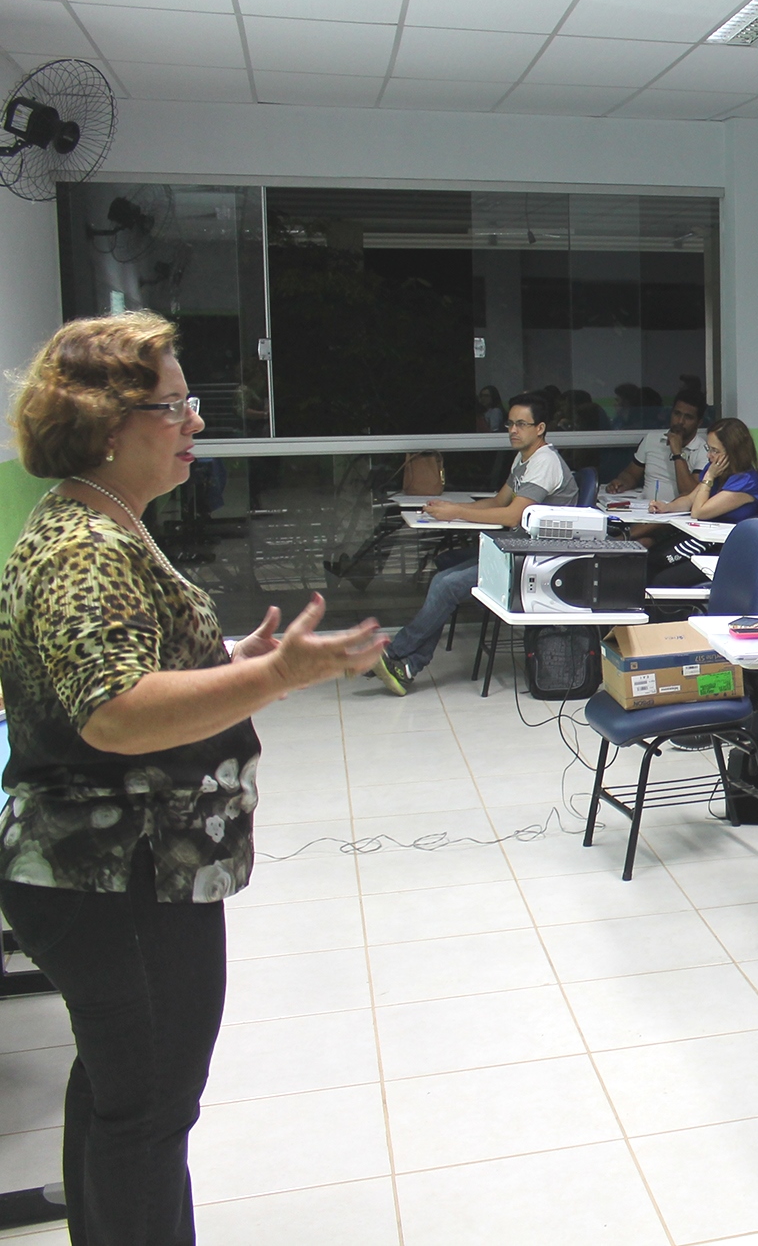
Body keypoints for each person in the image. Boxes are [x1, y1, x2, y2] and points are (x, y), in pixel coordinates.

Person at [0, 313, 388, 1243]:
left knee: (117, 1091)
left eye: (190, 404)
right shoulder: (86, 546)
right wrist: (274, 673)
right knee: (147, 1112)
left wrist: (222, 656)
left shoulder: (96, 520)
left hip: (107, 869)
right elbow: (114, 710)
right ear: (104, 421)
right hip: (115, 875)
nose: (195, 424)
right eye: (172, 407)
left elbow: (111, 670)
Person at [376, 391, 577, 693]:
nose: (513, 430)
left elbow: (510, 516)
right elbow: (499, 500)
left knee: (446, 585)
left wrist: (457, 511)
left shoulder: (545, 461)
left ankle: (395, 654)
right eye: (510, 424)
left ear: (540, 428)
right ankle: (406, 664)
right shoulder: (525, 459)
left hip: (537, 561)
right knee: (445, 576)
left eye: (522, 424)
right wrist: (449, 511)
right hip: (517, 549)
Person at [641, 416, 758, 583]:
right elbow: (690, 499)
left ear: (733, 452)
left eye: (715, 451)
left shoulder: (745, 481)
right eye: (709, 448)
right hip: (702, 537)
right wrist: (667, 507)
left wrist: (709, 478)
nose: (709, 455)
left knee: (664, 578)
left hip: (723, 547)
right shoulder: (716, 471)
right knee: (650, 559)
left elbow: (699, 512)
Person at [607, 386, 707, 502]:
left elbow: (690, 494)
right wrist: (621, 482)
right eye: (677, 414)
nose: (680, 421)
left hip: (679, 515)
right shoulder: (652, 439)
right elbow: (631, 474)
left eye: (688, 417)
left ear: (699, 422)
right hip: (644, 511)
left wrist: (677, 454)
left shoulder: (704, 451)